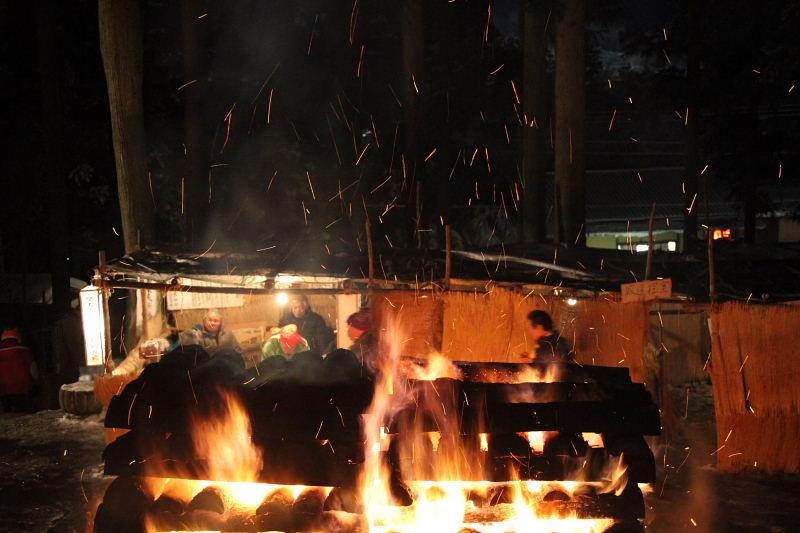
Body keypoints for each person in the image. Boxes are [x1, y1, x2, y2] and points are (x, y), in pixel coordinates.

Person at [0, 328, 37, 412]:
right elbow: (33, 368)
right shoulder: (24, 350)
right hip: (23, 388)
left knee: (8, 413)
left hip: (4, 390)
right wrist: (35, 382)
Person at [345, 308, 377, 374]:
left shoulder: (364, 351)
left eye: (351, 326)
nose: (348, 331)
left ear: (361, 329)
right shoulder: (362, 347)